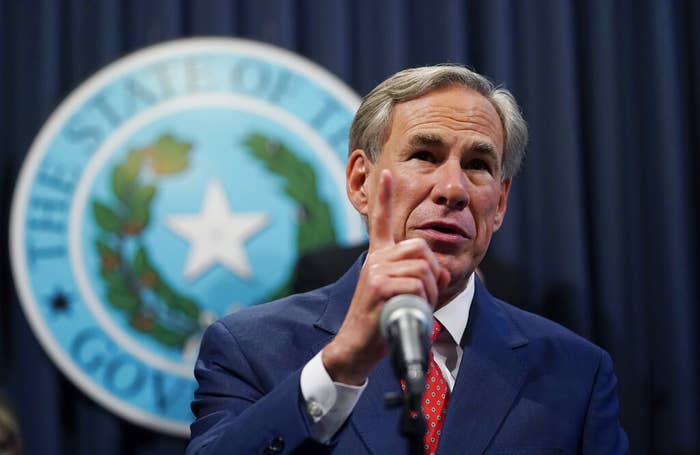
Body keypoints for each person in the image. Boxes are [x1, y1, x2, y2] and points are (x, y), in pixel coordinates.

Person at [187, 65, 628, 454]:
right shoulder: (248, 347)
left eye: (477, 164)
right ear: (362, 181)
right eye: (424, 156)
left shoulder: (577, 373)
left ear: (500, 203)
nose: (453, 189)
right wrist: (339, 367)